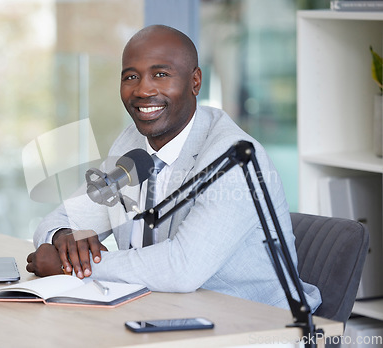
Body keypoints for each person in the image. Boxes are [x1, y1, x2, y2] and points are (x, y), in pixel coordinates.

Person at [26, 24, 322, 311]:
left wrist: (73, 269)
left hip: (255, 323)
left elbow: (182, 267)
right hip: (162, 312)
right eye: (131, 77)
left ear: (195, 81)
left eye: (161, 74)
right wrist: (64, 238)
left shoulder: (233, 156)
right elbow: (66, 216)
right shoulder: (132, 142)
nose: (143, 90)